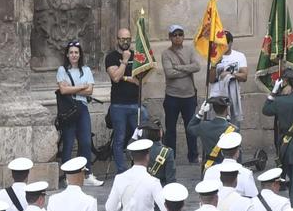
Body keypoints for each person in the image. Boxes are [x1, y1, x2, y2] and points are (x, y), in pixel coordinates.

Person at [105, 24, 153, 171]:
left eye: (128, 39)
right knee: (119, 140)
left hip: (135, 104)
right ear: (117, 40)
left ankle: (140, 168)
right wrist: (125, 62)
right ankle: (122, 171)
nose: (125, 42)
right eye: (122, 39)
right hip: (118, 105)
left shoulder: (137, 56)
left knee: (141, 137)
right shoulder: (111, 57)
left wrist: (126, 78)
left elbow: (141, 81)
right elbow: (115, 77)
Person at [160, 25, 205, 166]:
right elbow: (169, 73)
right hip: (172, 96)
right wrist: (187, 69)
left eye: (180, 34)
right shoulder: (166, 54)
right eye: (175, 35)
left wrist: (178, 67)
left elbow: (197, 66)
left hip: (189, 96)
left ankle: (193, 156)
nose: (178, 37)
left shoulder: (190, 50)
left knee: (190, 128)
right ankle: (170, 157)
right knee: (171, 128)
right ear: (170, 37)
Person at [56, 41, 97, 165]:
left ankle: (86, 173)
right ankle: (68, 176)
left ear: (80, 55)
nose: (74, 55)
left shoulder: (86, 70)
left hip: (82, 107)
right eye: (71, 52)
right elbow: (63, 90)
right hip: (68, 108)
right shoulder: (62, 70)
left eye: (76, 52)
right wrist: (81, 87)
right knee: (68, 142)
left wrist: (72, 89)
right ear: (67, 55)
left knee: (85, 141)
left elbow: (89, 91)